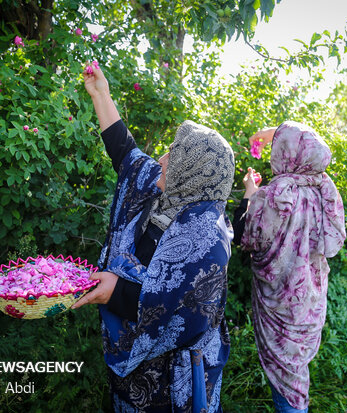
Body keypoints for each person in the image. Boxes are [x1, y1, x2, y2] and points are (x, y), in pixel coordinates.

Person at [72, 64, 235, 412]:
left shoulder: (208, 242)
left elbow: (178, 310)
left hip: (172, 381)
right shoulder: (165, 192)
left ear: (192, 172)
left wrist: (115, 290)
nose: (161, 158)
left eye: (173, 154)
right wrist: (101, 93)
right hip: (133, 378)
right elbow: (126, 154)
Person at [232, 121, 346, 412]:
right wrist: (267, 133)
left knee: (286, 385)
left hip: (280, 304)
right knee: (296, 373)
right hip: (309, 299)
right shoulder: (323, 186)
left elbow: (246, 237)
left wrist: (250, 193)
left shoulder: (276, 194)